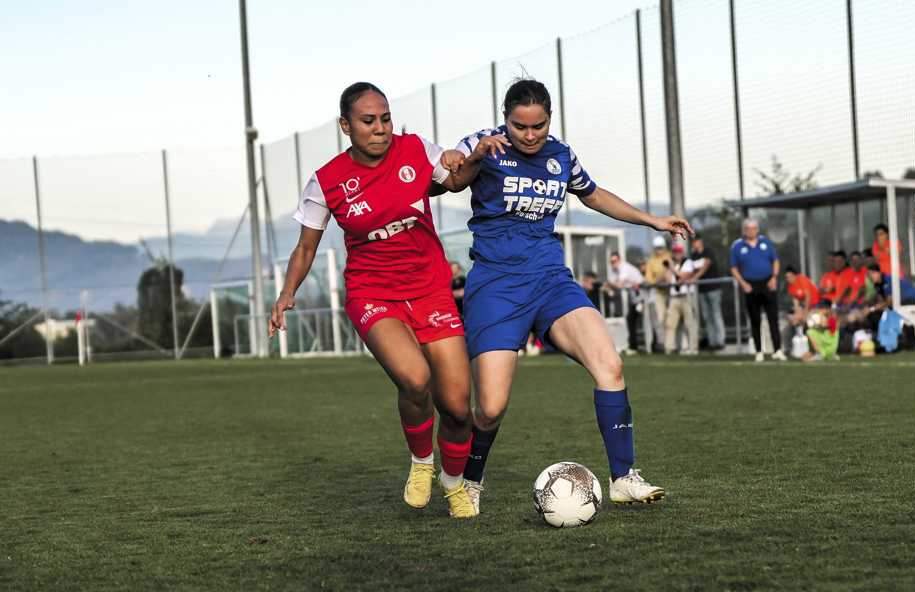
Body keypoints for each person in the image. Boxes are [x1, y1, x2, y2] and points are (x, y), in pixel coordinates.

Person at [442, 78, 692, 513]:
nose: (530, 134)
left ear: (549, 119)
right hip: (497, 285)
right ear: (506, 119)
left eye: (538, 125)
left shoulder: (561, 154)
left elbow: (592, 194)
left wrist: (650, 220)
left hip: (550, 280)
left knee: (609, 364)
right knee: (490, 408)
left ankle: (623, 478)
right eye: (520, 126)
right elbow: (450, 182)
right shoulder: (483, 144)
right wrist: (474, 158)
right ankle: (471, 478)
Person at [268, 82, 477, 518]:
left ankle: (454, 485)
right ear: (346, 126)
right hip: (373, 294)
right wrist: (287, 293)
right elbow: (305, 248)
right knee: (415, 379)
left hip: (431, 289)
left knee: (458, 407)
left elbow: (455, 180)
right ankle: (422, 463)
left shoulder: (416, 149)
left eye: (385, 118)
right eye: (368, 121)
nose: (380, 128)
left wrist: (468, 159)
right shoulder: (326, 181)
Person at [729, 217, 786, 362]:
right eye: (748, 228)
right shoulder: (737, 246)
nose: (751, 231)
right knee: (755, 320)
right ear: (744, 230)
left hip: (767, 284)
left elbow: (775, 261)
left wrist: (774, 278)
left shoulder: (765, 242)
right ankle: (759, 351)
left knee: (773, 318)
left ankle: (778, 350)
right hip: (750, 285)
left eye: (754, 228)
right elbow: (734, 268)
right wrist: (743, 283)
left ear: (758, 229)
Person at [688, 233, 724, 350]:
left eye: (696, 241)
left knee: (716, 314)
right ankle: (712, 342)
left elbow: (706, 265)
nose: (694, 243)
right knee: (707, 316)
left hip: (713, 288)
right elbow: (691, 269)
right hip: (702, 289)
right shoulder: (693, 255)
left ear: (700, 241)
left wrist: (695, 278)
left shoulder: (708, 251)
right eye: (692, 242)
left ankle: (720, 341)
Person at [663, 241, 698, 355]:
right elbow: (668, 280)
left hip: (686, 295)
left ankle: (693, 348)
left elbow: (684, 276)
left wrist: (673, 269)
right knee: (670, 323)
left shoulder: (688, 262)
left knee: (689, 323)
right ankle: (669, 348)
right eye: (675, 252)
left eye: (678, 252)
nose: (677, 254)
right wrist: (668, 269)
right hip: (674, 297)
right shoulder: (671, 264)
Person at [605, 251, 644, 351]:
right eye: (611, 261)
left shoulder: (624, 268)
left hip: (641, 296)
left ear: (619, 259)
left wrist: (610, 284)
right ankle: (632, 346)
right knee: (630, 321)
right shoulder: (615, 269)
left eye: (615, 261)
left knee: (642, 322)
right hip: (632, 298)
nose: (613, 263)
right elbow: (612, 283)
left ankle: (645, 346)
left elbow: (618, 284)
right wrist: (610, 284)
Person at [644, 236, 672, 351]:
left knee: (671, 319)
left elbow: (671, 274)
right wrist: (660, 279)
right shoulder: (651, 261)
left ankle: (673, 344)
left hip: (671, 292)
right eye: (657, 248)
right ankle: (663, 344)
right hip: (658, 293)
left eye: (660, 248)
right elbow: (649, 279)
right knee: (660, 319)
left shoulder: (670, 257)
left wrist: (664, 277)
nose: (659, 250)